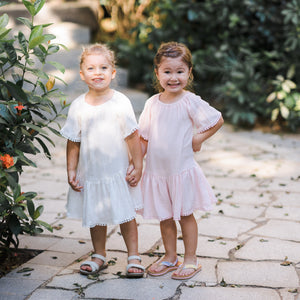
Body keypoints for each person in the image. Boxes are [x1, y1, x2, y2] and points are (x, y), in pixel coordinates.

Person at [137, 41, 224, 280]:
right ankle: (170, 257)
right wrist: (135, 163)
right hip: (157, 172)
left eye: (179, 71)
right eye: (167, 72)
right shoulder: (152, 104)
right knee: (165, 216)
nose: (173, 77)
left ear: (189, 73)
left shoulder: (189, 101)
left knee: (185, 215)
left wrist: (199, 138)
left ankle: (191, 260)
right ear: (157, 73)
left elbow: (217, 120)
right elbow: (143, 137)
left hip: (181, 170)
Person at [60, 43, 145, 278]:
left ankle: (134, 256)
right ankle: (99, 254)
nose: (98, 72)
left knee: (126, 214)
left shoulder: (120, 102)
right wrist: (71, 169)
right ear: (82, 74)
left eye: (104, 67)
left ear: (113, 73)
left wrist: (138, 164)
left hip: (118, 170)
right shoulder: (78, 106)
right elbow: (73, 141)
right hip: (93, 172)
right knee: (96, 214)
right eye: (91, 68)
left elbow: (132, 135)